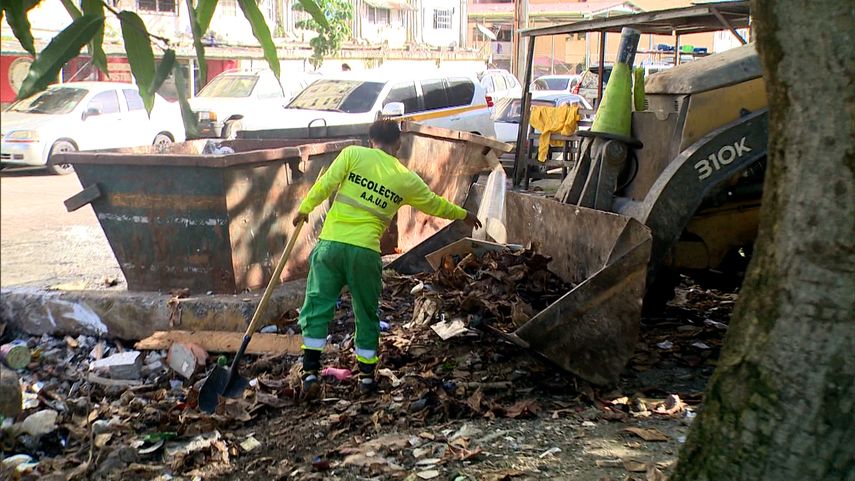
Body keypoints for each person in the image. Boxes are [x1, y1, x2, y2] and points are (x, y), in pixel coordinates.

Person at [293, 119, 481, 397]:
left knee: (317, 307)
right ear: (398, 144)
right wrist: (463, 214)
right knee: (366, 312)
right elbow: (434, 203)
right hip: (365, 252)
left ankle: (309, 373)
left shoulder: (352, 155)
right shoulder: (405, 178)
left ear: (371, 139)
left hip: (330, 246)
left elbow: (326, 184)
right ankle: (366, 379)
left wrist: (304, 209)